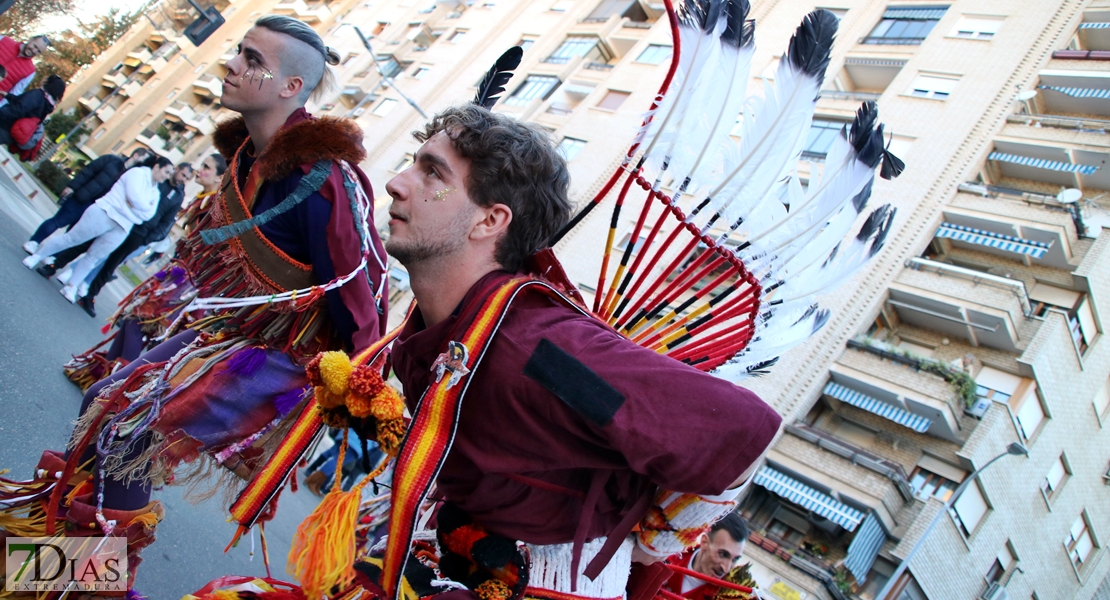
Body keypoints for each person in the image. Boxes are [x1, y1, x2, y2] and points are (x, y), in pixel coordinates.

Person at [0, 15, 387, 595]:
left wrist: (360, 388)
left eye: (254, 60)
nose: (233, 64)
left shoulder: (324, 179)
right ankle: (46, 571)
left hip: (286, 357)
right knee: (107, 405)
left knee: (127, 431)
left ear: (291, 88)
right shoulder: (246, 156)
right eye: (239, 51)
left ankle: (89, 585)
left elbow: (361, 292)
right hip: (234, 334)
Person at [335, 104, 781, 600]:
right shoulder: (440, 325)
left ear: (489, 220)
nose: (397, 182)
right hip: (450, 557)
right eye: (413, 163)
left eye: (432, 172)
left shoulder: (539, 351)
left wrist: (651, 541)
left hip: (546, 583)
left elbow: (741, 430)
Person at [62, 155, 226, 390]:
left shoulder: (216, 205)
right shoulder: (204, 200)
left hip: (190, 280)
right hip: (182, 272)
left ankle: (117, 386)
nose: (199, 170)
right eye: (202, 165)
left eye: (206, 168)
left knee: (140, 320)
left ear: (221, 177)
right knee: (134, 317)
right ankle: (104, 377)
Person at [23, 157, 173, 302]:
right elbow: (134, 198)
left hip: (123, 227)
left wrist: (128, 206)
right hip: (104, 212)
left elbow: (147, 215)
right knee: (72, 239)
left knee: (94, 257)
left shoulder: (156, 192)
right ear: (156, 166)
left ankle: (71, 286)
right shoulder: (137, 173)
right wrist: (134, 208)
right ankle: (37, 256)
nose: (167, 177)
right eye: (166, 172)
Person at [61, 161, 193, 317]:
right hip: (123, 220)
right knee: (88, 245)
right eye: (183, 175)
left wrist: (148, 238)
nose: (183, 179)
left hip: (139, 233)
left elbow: (167, 220)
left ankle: (89, 296)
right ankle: (57, 264)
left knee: (111, 264)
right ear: (175, 169)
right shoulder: (157, 180)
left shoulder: (178, 196)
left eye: (187, 178)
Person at [24, 148, 152, 254]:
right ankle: (34, 241)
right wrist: (72, 187)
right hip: (82, 198)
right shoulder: (110, 160)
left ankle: (50, 254)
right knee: (58, 221)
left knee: (73, 234)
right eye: (144, 159)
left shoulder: (133, 179)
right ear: (135, 155)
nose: (144, 165)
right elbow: (88, 171)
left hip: (98, 209)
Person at [661, 513, 754, 600]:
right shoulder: (664, 557)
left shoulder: (734, 594)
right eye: (723, 554)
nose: (726, 569)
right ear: (704, 542)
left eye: (735, 559)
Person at [0, 73, 64, 159]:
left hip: (4, 125)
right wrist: (8, 96)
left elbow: (19, 109)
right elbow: (24, 106)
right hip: (11, 132)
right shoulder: (47, 104)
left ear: (47, 82)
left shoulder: (37, 95)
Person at [0, 34, 49, 105]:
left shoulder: (30, 71)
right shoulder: (3, 40)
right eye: (35, 46)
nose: (34, 51)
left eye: (38, 51)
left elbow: (14, 93)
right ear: (30, 39)